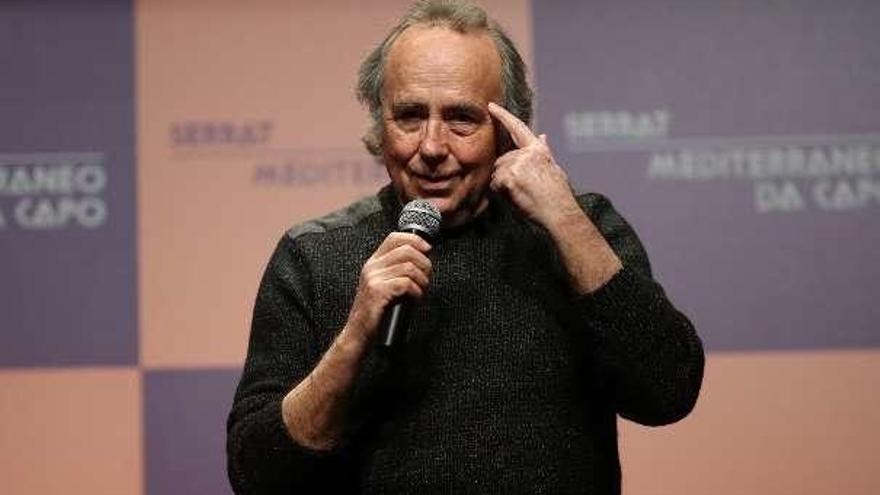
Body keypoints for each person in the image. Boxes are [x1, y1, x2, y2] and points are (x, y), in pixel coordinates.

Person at [226, 1, 704, 493]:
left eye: (461, 119)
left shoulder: (580, 229)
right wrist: (354, 338)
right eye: (410, 117)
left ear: (507, 129)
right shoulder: (315, 256)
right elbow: (257, 474)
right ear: (379, 123)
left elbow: (668, 392)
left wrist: (564, 218)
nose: (432, 147)